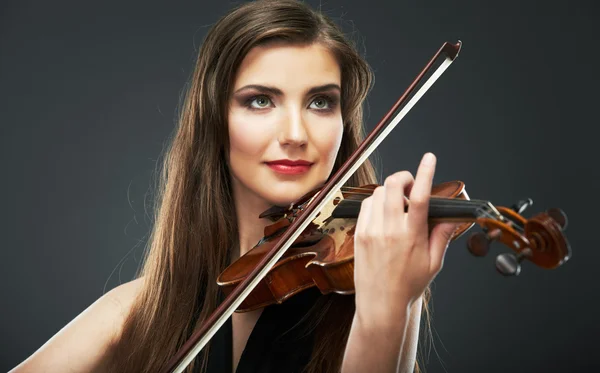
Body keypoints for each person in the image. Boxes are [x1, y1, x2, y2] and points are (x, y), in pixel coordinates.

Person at [10, 1, 459, 372]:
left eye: (321, 102)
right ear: (215, 120)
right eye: (260, 100)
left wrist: (391, 308)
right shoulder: (138, 313)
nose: (295, 134)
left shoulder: (376, 280)